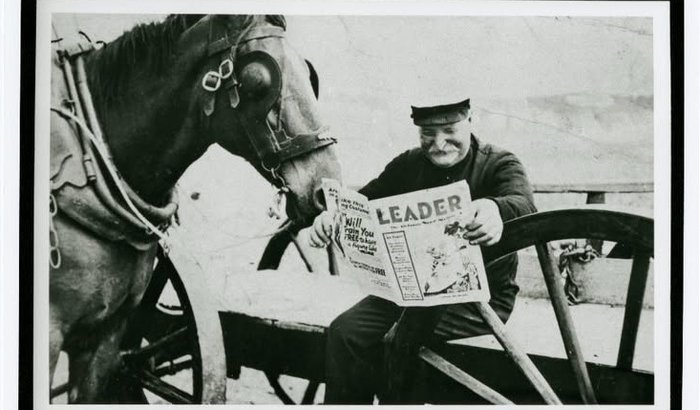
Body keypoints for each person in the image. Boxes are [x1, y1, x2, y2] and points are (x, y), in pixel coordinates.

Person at [308, 98, 537, 404]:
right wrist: (333, 217)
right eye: (428, 133)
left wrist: (495, 208)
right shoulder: (408, 164)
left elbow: (524, 203)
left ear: (470, 120)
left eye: (449, 130)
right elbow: (362, 203)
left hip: (476, 302)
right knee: (344, 332)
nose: (439, 144)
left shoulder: (500, 162)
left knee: (399, 340)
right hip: (408, 292)